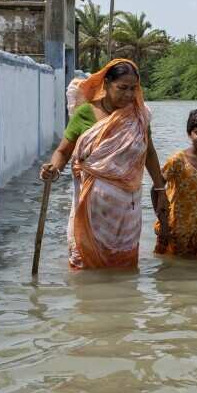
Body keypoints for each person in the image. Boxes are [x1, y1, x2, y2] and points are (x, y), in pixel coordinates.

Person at [39, 59, 169, 269]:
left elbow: (149, 153)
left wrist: (160, 188)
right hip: (90, 208)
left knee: (124, 269)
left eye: (133, 89)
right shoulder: (85, 113)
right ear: (106, 84)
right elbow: (63, 151)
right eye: (122, 88)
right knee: (83, 267)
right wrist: (53, 169)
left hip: (126, 211)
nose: (128, 95)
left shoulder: (139, 116)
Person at [155, 107, 197, 261]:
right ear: (189, 134)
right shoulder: (177, 160)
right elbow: (157, 188)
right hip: (178, 227)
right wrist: (163, 223)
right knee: (175, 270)